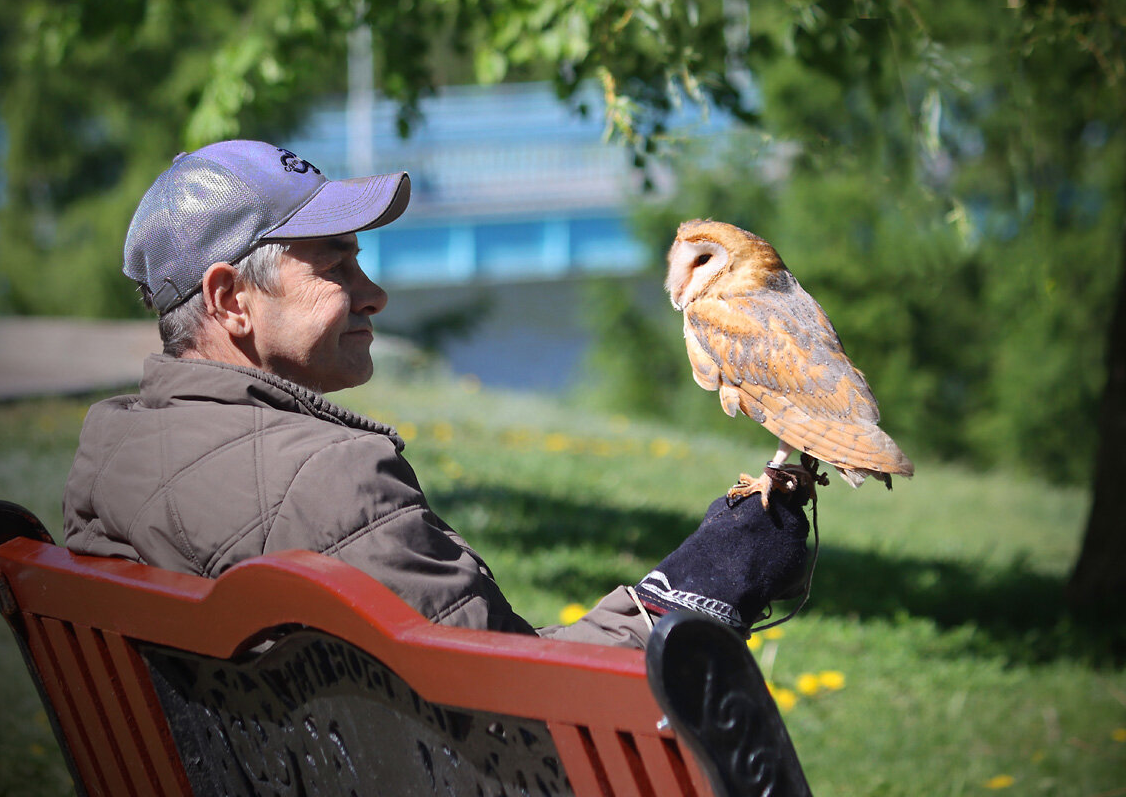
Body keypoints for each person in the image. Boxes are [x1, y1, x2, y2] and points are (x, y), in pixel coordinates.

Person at [63, 139, 812, 649]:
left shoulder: (109, 458)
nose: (376, 295)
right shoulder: (334, 483)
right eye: (337, 268)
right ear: (230, 301)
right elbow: (524, 698)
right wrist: (707, 580)